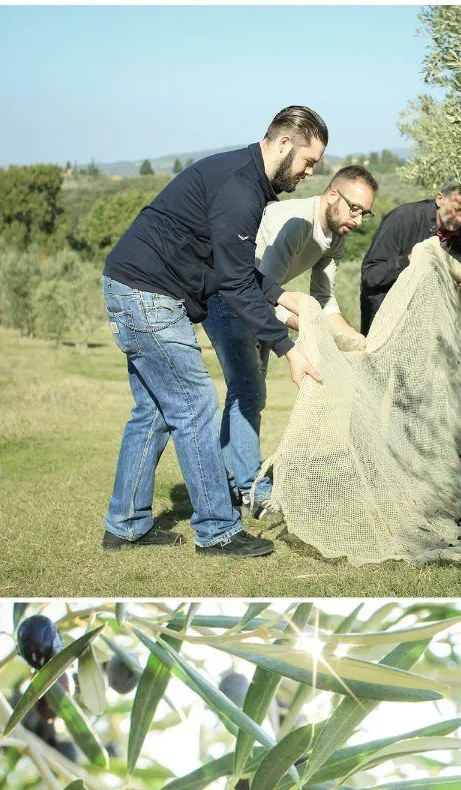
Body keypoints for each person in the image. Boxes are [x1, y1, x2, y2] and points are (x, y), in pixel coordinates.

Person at [101, 105, 328, 557]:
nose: (308, 172)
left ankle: (126, 525)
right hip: (148, 294)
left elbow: (235, 269)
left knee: (154, 411)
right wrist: (287, 348)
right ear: (285, 143)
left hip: (131, 286)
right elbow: (235, 284)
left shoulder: (243, 179)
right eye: (307, 162)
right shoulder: (241, 188)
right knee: (196, 406)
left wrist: (286, 297)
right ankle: (218, 531)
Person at [203, 165, 378, 514]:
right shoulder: (297, 223)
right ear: (332, 195)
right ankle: (254, 490)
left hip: (256, 299)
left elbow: (324, 301)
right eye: (354, 208)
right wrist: (305, 325)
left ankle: (231, 484)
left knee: (247, 393)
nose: (358, 220)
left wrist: (354, 338)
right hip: (228, 295)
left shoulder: (335, 237)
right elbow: (261, 291)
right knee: (248, 392)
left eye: (366, 213)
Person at [359, 180, 461, 336]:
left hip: (426, 322)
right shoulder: (402, 218)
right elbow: (371, 275)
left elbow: (456, 266)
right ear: (440, 199)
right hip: (384, 319)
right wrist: (408, 261)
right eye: (457, 210)